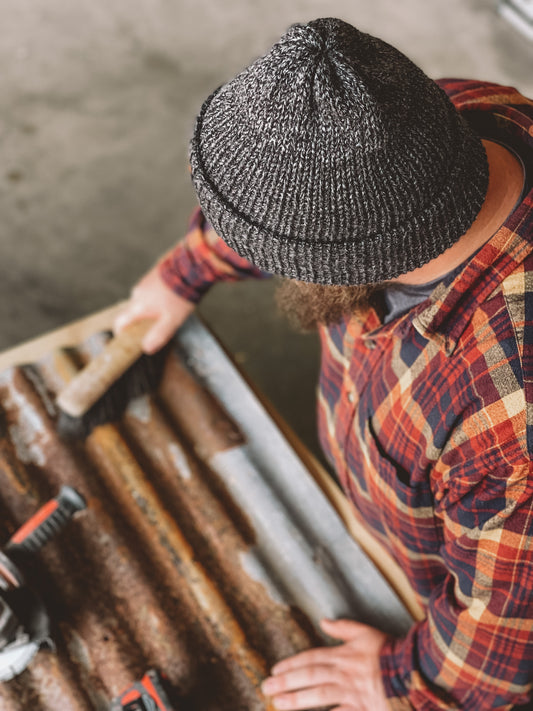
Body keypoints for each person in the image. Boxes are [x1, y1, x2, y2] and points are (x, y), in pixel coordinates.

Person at [115, 18, 533, 710]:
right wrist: (185, 270)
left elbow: (508, 632)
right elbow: (304, 203)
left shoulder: (508, 410)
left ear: (348, 260)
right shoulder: (449, 120)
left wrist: (398, 680)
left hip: (450, 601)